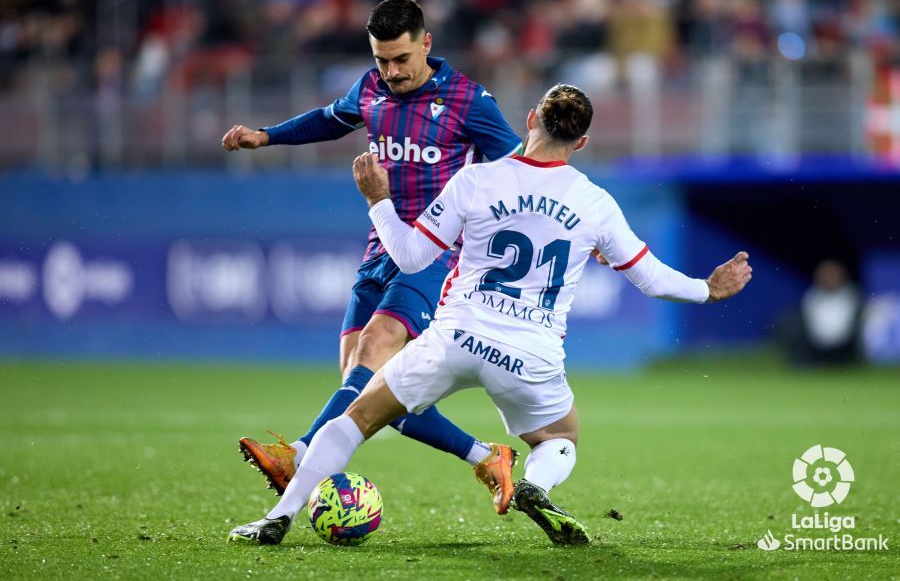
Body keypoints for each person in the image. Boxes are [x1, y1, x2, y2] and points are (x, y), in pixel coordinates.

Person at [228, 84, 752, 546]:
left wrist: (378, 202)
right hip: (530, 354)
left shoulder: (476, 179)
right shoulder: (595, 204)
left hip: (456, 336)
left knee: (356, 419)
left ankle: (277, 516)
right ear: (582, 143)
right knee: (559, 440)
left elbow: (411, 257)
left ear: (530, 119)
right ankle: (535, 486)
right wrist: (708, 289)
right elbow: (652, 279)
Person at [220, 0, 524, 513]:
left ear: (426, 44)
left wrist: (581, 234)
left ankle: (296, 453)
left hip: (436, 254)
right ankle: (486, 455)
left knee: (375, 350)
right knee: (368, 393)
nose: (391, 71)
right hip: (379, 247)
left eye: (401, 59)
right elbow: (328, 119)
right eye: (381, 60)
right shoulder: (369, 89)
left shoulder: (470, 102)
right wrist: (266, 136)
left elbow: (519, 170)